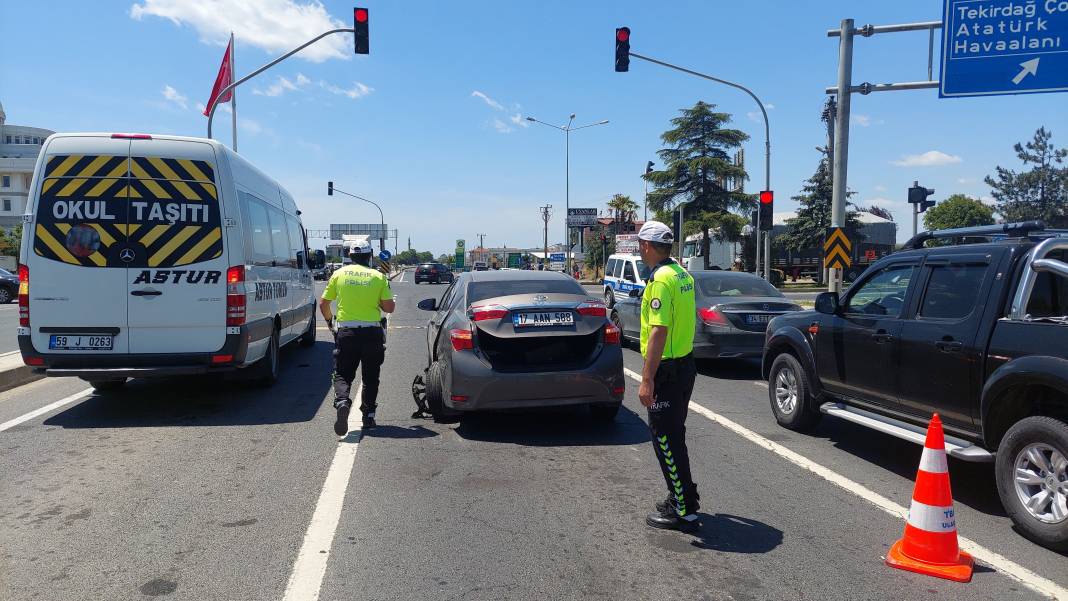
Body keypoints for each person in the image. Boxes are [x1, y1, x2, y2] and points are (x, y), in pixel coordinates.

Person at [635, 221, 700, 531]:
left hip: (668, 370)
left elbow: (659, 331)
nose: (638, 249)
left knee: (664, 438)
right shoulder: (681, 274)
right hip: (685, 365)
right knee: (675, 436)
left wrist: (647, 379)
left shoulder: (660, 280)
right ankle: (682, 496)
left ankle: (684, 510)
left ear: (647, 245)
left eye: (639, 244)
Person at [319, 239, 395, 436]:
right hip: (372, 333)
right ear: (369, 256)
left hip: (347, 332)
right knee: (371, 377)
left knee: (343, 373)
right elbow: (389, 308)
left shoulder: (338, 274)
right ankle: (368, 416)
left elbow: (324, 304)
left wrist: (330, 323)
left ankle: (343, 401)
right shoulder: (378, 276)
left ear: (350, 256)